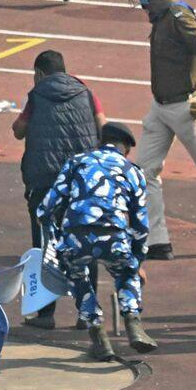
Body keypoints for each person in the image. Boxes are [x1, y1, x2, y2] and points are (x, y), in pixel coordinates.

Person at [127, 0, 196, 259]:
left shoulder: (179, 18)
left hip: (186, 108)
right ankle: (157, 240)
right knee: (144, 171)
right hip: (161, 106)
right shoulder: (162, 16)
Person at [39, 121, 153, 361]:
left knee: (78, 277)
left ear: (100, 142)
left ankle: (98, 335)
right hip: (114, 236)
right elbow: (141, 224)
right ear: (126, 149)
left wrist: (54, 239)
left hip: (76, 236)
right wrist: (137, 260)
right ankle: (133, 323)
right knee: (126, 273)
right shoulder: (133, 171)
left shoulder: (77, 161)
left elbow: (47, 207)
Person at [13, 49, 104, 327]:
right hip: (81, 181)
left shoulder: (36, 95)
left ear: (39, 74)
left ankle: (46, 314)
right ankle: (86, 313)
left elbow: (18, 129)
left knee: (45, 245)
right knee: (84, 244)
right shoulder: (86, 93)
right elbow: (103, 126)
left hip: (45, 181)